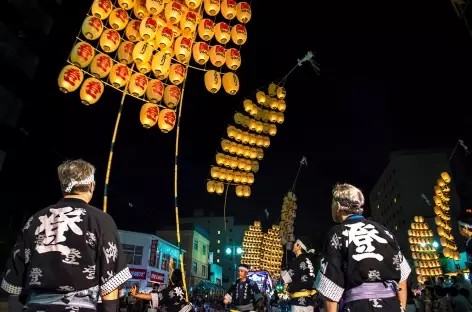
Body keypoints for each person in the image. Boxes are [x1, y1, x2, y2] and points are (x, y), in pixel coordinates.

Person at [1, 159, 132, 312]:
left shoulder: (35, 220)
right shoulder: (101, 220)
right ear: (91, 186)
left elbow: (14, 284)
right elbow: (110, 282)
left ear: (63, 187)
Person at [315, 183, 411, 312]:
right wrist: (402, 308)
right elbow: (402, 277)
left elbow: (331, 285)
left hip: (358, 306)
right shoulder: (384, 231)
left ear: (337, 206)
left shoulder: (336, 233)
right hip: (392, 305)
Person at [280, 237, 317, 312]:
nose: (293, 245)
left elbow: (286, 278)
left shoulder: (297, 261)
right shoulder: (309, 261)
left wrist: (282, 269)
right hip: (310, 302)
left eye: (295, 244)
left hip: (299, 303)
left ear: (299, 247)